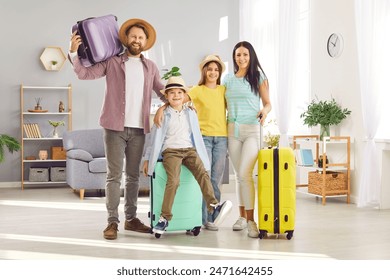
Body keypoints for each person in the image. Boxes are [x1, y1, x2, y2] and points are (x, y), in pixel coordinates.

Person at [69, 18, 166, 240]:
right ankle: (112, 222)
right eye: (133, 36)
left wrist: (177, 98)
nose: (136, 40)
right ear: (126, 38)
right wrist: (74, 53)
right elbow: (86, 73)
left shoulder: (150, 67)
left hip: (139, 129)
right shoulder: (113, 61)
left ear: (146, 41)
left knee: (132, 177)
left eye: (141, 37)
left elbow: (162, 91)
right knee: (113, 176)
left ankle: (131, 219)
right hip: (114, 128)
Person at [142, 76, 232, 235]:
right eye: (172, 93)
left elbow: (195, 134)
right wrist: (147, 159)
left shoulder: (190, 113)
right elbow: (153, 139)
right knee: (174, 180)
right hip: (171, 152)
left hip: (189, 150)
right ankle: (164, 218)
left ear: (184, 95)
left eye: (179, 92)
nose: (176, 96)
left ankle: (213, 206)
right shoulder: (162, 115)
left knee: (203, 173)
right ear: (167, 96)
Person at [223, 41, 271, 238]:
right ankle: (242, 217)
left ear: (251, 56)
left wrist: (264, 111)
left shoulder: (258, 76)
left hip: (252, 129)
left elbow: (268, 103)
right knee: (239, 175)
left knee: (245, 173)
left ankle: (252, 221)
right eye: (237, 55)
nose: (241, 58)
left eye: (244, 54)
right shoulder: (227, 80)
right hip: (232, 129)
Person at [186, 55, 228, 231]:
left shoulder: (223, 90)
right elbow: (179, 97)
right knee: (204, 177)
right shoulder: (197, 90)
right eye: (209, 69)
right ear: (204, 71)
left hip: (222, 139)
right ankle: (202, 217)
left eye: (216, 69)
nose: (213, 72)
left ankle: (212, 216)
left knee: (215, 179)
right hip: (203, 139)